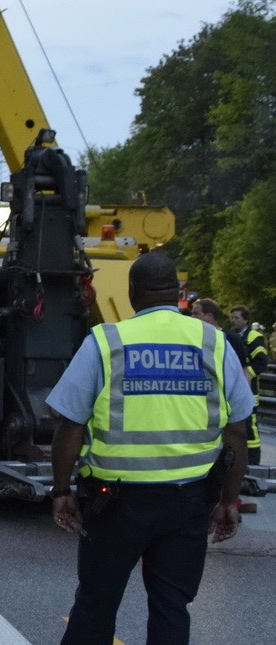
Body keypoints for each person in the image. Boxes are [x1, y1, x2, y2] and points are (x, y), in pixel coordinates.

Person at [48, 252, 253, 645]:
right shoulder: (214, 342)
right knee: (171, 608)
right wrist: (229, 499)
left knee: (95, 606)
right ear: (177, 292)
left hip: (114, 503)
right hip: (187, 502)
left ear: (131, 293)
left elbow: (70, 423)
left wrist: (61, 491)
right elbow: (237, 431)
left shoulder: (107, 341)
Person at [192, 298, 256, 513]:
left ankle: (227, 501)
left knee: (225, 458)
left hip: (225, 411)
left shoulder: (228, 340)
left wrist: (242, 404)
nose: (192, 318)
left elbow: (243, 372)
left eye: (196, 314)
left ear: (209, 316)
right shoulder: (196, 339)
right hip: (206, 416)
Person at [229, 305, 267, 465]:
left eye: (237, 317)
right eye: (232, 317)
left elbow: (261, 361)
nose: (233, 320)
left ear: (245, 319)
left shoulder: (253, 336)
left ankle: (253, 459)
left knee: (251, 426)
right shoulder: (233, 335)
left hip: (250, 389)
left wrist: (247, 373)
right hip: (237, 386)